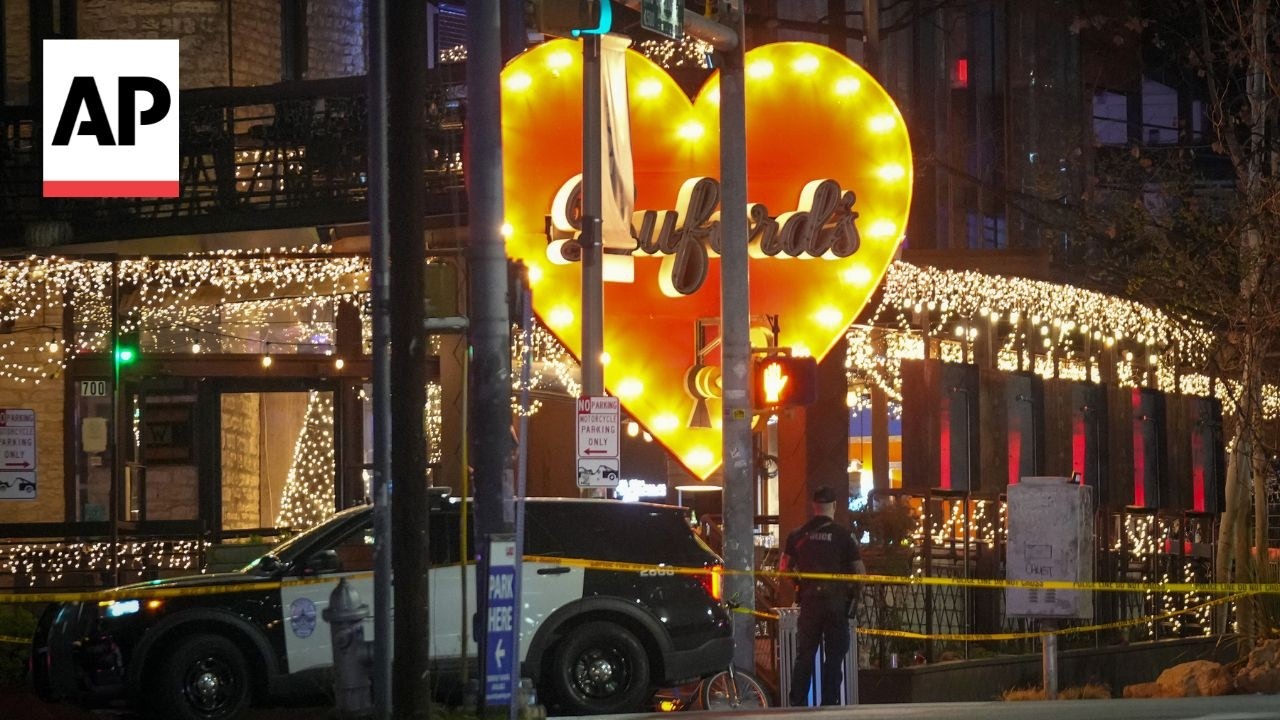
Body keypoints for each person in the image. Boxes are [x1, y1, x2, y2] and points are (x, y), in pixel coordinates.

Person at [779, 486, 865, 706]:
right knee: (834, 658)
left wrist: (799, 583)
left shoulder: (797, 534)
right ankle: (829, 703)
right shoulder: (843, 536)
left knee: (805, 655)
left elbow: (783, 568)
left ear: (813, 506)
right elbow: (860, 572)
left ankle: (797, 703)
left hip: (809, 603)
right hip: (836, 604)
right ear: (834, 506)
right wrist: (853, 593)